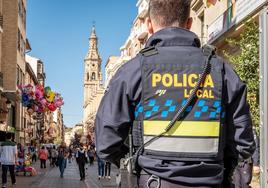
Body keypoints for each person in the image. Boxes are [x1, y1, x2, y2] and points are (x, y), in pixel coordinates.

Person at [95, 0, 256, 187]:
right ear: (189, 24)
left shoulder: (132, 72)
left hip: (152, 182)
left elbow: (105, 144)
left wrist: (136, 162)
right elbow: (243, 146)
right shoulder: (222, 71)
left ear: (149, 24)